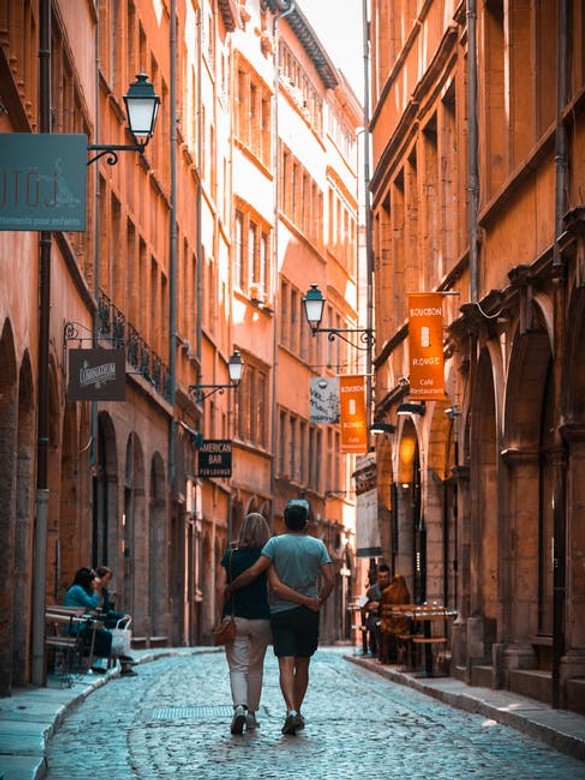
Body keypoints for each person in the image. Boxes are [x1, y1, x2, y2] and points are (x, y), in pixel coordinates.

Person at [226, 502, 334, 736]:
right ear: (306, 523)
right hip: (308, 615)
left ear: (284, 522)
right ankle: (296, 710)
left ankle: (291, 710)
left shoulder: (275, 544)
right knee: (303, 663)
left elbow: (263, 577)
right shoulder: (318, 546)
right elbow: (330, 580)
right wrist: (316, 601)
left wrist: (232, 586)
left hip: (282, 612)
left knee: (286, 663)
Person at [216, 513, 273, 735]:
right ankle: (251, 715)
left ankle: (239, 707)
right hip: (261, 619)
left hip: (235, 617)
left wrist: (219, 616)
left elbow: (221, 588)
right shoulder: (267, 558)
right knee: (256, 668)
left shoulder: (230, 556)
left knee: (237, 667)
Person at [63, 567, 136, 677]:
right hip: (77, 627)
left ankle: (121, 659)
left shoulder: (80, 589)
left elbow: (101, 609)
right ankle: (96, 662)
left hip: (82, 623)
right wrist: (96, 590)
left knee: (115, 628)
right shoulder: (78, 590)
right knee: (106, 636)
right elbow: (92, 604)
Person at [95, 565, 138, 670]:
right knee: (111, 631)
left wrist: (121, 616)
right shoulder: (92, 590)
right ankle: (124, 661)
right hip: (95, 619)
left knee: (122, 624)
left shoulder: (104, 592)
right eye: (107, 578)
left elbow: (107, 609)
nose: (108, 581)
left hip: (103, 617)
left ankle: (125, 658)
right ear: (99, 577)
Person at [379, 573, 411, 665]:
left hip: (389, 625)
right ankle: (402, 652)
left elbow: (381, 610)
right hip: (403, 625)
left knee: (380, 628)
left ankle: (385, 657)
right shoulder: (406, 593)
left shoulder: (386, 592)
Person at [362, 563, 390, 658]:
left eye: (385, 577)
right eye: (381, 577)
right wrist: (368, 606)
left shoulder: (392, 589)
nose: (383, 579)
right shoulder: (371, 591)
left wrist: (379, 605)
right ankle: (377, 650)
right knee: (376, 623)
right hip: (375, 617)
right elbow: (362, 605)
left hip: (389, 617)